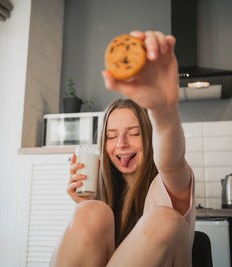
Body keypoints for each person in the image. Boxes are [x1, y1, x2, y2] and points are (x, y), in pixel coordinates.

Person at [50, 30, 195, 267]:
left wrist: (164, 111)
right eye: (111, 136)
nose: (121, 144)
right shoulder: (102, 198)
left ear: (149, 137)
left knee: (164, 219)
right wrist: (85, 206)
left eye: (135, 133)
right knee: (91, 212)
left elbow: (171, 162)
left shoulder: (167, 186)